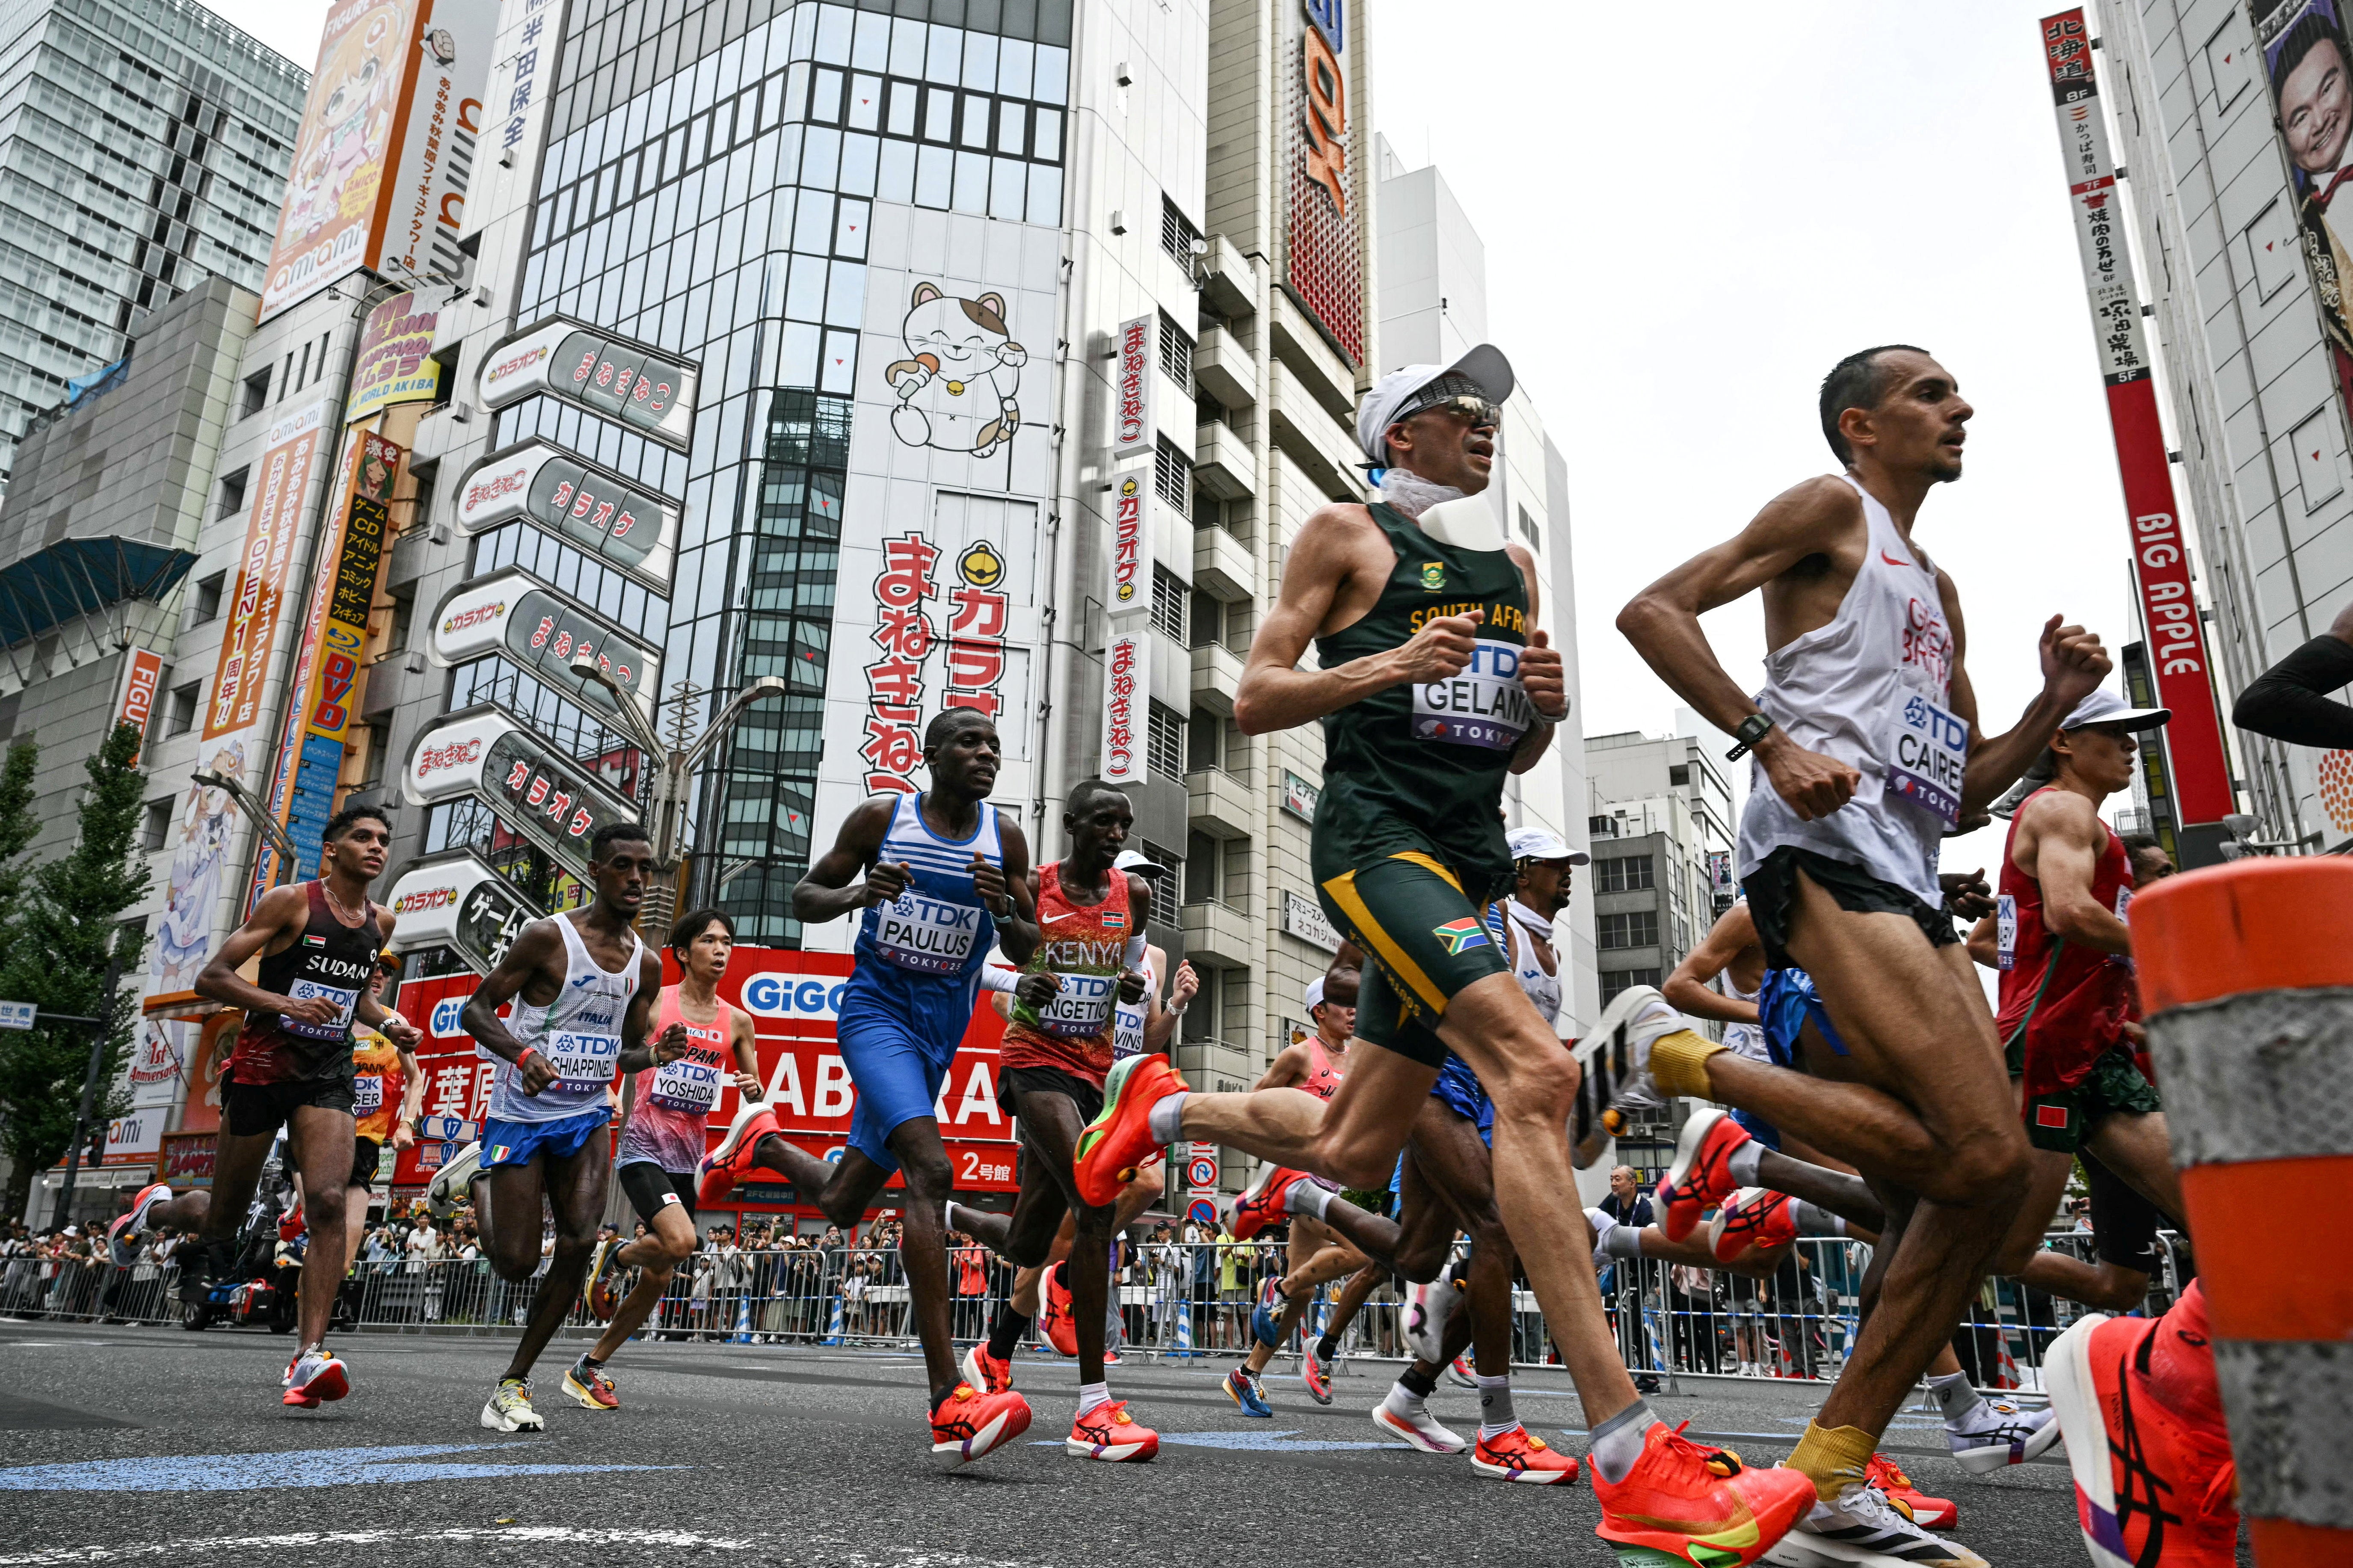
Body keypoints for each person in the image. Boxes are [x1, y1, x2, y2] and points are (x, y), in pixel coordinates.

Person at [1075, 347, 1808, 1556]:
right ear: (1399, 434)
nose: (1483, 427)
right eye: (1458, 411)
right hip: (1375, 847)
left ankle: (1159, 1113)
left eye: (1487, 414)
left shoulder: (1510, 567)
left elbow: (1506, 754)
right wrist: (1390, 664)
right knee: (1536, 1073)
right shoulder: (1341, 537)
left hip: (1465, 858)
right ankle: (1627, 1449)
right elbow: (1254, 695)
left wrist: (1540, 714)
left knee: (1348, 1140)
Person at [1614, 343, 2109, 1558]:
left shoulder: (1937, 587)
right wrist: (1767, 739)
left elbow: (1961, 788)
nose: (1962, 408)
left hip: (1902, 876)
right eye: (1932, 394)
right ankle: (1677, 1060)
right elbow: (1653, 609)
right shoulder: (1828, 509)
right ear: (1861, 424)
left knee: (1965, 1187)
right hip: (1815, 855)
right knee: (1985, 1155)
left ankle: (1830, 1474)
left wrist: (2049, 706)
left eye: (1956, 393)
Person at [699, 709, 1039, 1464]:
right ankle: (949, 1396)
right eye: (969, 742)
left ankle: (764, 1140)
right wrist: (861, 895)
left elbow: (1029, 941)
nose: (986, 752)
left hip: (942, 1027)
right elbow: (803, 897)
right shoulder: (885, 817)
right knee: (933, 1169)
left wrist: (1005, 907)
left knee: (845, 1201)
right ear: (931, 754)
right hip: (875, 1011)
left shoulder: (1005, 838)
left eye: (993, 742)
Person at [942, 780, 1160, 1463]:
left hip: (1094, 1073)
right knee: (1095, 1201)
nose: (1115, 835)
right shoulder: (1033, 886)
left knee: (1028, 1242)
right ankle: (1094, 1411)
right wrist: (1017, 981)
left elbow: (1130, 965)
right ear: (1070, 825)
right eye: (1102, 822)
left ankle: (985, 1317)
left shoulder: (1136, 897)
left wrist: (1130, 986)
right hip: (1033, 1064)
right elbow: (969, 966)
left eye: (1123, 826)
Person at [188, 804, 418, 1406]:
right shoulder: (291, 902)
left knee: (327, 1201)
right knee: (222, 1221)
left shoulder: (380, 921)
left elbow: (357, 1000)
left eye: (383, 840)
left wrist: (391, 1021)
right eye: (362, 837)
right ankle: (158, 1211)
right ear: (332, 850)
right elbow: (212, 977)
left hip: (326, 1073)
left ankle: (307, 1357)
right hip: (263, 1069)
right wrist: (286, 1004)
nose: (376, 847)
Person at [459, 822, 677, 1432]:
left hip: (585, 1116)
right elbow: (475, 1009)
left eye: (647, 868)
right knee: (516, 1263)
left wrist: (657, 1056)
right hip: (521, 1116)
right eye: (624, 866)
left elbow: (625, 1053)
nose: (638, 879)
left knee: (582, 1242)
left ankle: (513, 1383)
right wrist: (523, 1054)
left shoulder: (647, 964)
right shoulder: (547, 938)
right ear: (596, 870)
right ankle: (479, 1181)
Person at [957, 883, 1192, 1380]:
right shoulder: (1065, 923)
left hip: (1122, 1084)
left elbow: (1148, 1033)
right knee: (1057, 1235)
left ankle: (1022, 1322)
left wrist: (1174, 1006)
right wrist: (1041, 1012)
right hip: (1058, 1075)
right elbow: (1007, 997)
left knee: (1132, 1194)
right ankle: (1004, 1347)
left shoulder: (1151, 955)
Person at [569, 906, 762, 1408]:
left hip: (688, 1158)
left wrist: (752, 1087)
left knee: (660, 1276)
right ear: (682, 953)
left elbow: (755, 1093)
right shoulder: (656, 1005)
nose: (721, 951)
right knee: (682, 1242)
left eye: (727, 942)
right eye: (709, 942)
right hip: (642, 1148)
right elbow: (623, 1054)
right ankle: (616, 1255)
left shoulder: (738, 1022)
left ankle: (590, 1368)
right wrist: (641, 1068)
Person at [341, 957, 423, 1278]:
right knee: (320, 1216)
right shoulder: (334, 1016)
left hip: (365, 1138)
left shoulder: (394, 1022)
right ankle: (295, 1216)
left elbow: (415, 1078)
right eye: (373, 966)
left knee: (345, 1255)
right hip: (320, 1131)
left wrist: (407, 1123)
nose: (379, 974)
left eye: (387, 971)